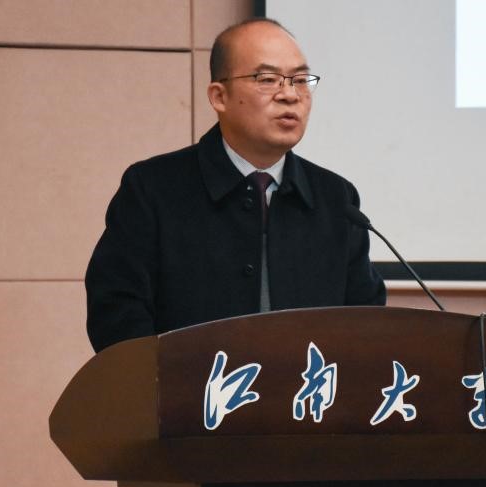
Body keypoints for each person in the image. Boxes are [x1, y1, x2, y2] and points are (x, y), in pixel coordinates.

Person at [85, 18, 386, 353]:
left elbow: (366, 321)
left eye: (301, 80)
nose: (290, 95)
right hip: (187, 386)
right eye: (267, 79)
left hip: (308, 387)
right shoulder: (153, 189)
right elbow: (117, 312)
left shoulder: (336, 198)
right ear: (219, 96)